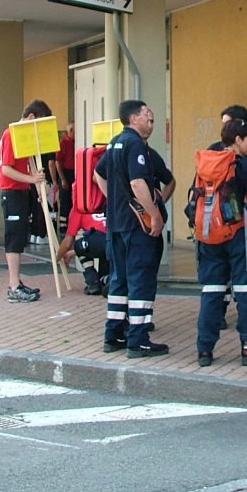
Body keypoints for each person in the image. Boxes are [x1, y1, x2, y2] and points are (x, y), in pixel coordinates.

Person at [194, 120, 247, 368]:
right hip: (239, 235)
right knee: (245, 291)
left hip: (209, 235)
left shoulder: (206, 162)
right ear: (237, 140)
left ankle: (205, 349)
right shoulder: (243, 165)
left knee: (212, 291)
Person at [97, 99, 167, 358]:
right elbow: (138, 183)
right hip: (136, 227)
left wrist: (115, 199)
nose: (151, 116)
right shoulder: (135, 144)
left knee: (119, 279)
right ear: (133, 118)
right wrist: (154, 215)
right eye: (146, 112)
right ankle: (138, 339)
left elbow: (99, 174)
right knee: (140, 280)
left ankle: (113, 334)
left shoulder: (115, 142)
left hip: (116, 223)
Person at [0, 101, 51, 303]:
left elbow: (28, 165)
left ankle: (16, 283)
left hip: (19, 192)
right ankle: (13, 286)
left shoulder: (21, 136)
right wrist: (32, 181)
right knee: (14, 237)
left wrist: (37, 186)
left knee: (19, 236)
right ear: (31, 118)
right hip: (11, 192)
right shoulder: (11, 134)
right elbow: (7, 169)